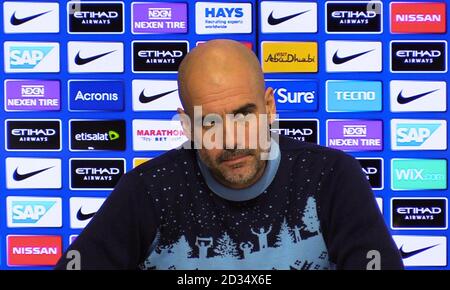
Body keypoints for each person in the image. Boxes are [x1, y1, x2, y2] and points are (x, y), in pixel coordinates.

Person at [55, 39, 403, 270]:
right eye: (208, 123)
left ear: (269, 106)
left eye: (243, 115)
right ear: (187, 126)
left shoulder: (331, 176)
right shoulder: (148, 190)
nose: (231, 139)